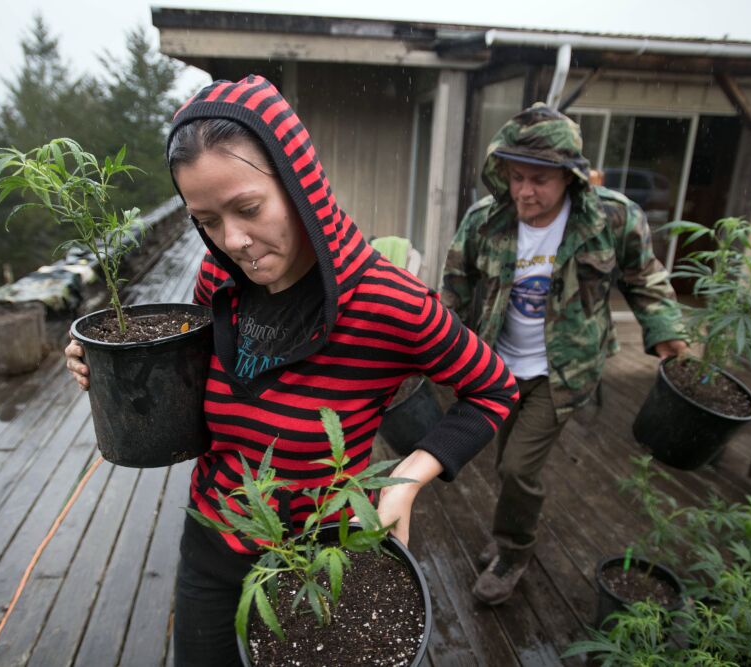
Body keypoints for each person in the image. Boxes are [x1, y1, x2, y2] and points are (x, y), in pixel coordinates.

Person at [65, 75, 518, 666]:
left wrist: (407, 480)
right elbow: (199, 386)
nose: (234, 241)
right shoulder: (217, 281)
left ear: (300, 183)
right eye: (206, 219)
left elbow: (492, 389)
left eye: (248, 208)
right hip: (214, 540)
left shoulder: (388, 302)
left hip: (317, 562)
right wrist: (115, 373)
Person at [441, 103, 688, 606]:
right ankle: (510, 529)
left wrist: (667, 334)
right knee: (506, 462)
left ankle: (513, 552)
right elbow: (454, 286)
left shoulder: (613, 218)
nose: (525, 192)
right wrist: (431, 348)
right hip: (496, 367)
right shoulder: (485, 220)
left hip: (564, 370)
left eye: (539, 180)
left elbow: (646, 278)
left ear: (570, 179)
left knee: (517, 469)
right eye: (516, 177)